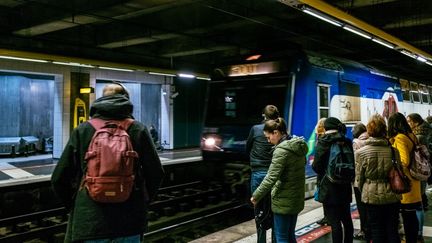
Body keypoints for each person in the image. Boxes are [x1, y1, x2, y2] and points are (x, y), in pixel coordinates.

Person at [51, 83, 164, 243]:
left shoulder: (83, 130)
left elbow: (58, 178)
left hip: (89, 221)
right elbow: (156, 173)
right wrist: (141, 200)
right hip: (129, 220)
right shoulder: (138, 129)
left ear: (101, 100)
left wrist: (76, 205)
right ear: (126, 100)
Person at [250, 118, 308, 243]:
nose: (268, 141)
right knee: (290, 235)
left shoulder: (281, 151)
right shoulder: (298, 145)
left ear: (276, 132)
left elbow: (271, 178)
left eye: (268, 137)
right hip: (296, 198)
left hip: (283, 200)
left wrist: (256, 196)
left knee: (281, 237)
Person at [355, 114, 401, 243]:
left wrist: (366, 191)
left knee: (376, 229)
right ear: (384, 130)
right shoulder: (393, 151)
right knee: (392, 229)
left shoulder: (361, 153)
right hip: (392, 195)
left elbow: (359, 179)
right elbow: (400, 172)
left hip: (372, 197)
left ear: (369, 131)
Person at [312, 117, 354, 243]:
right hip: (345, 186)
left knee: (335, 223)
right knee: (347, 220)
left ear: (326, 128)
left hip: (329, 187)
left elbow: (316, 166)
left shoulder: (323, 141)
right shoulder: (346, 141)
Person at [246, 105, 280, 243]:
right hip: (274, 173)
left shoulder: (255, 129)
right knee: (274, 209)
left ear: (263, 116)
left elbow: (247, 147)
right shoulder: (280, 131)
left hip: (258, 173)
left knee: (259, 209)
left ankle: (261, 240)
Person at [388, 112, 422, 243]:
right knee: (411, 215)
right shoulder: (411, 135)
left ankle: (410, 240)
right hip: (413, 181)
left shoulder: (400, 138)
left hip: (405, 183)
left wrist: (393, 165)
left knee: (408, 217)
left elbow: (404, 160)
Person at [406, 113, 432, 241]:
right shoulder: (425, 132)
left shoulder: (419, 136)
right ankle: (419, 232)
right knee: (419, 201)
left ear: (416, 122)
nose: (409, 124)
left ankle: (419, 232)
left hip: (418, 171)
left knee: (418, 203)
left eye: (410, 121)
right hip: (423, 171)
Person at [351, 122, 369, 241]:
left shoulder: (356, 143)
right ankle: (370, 229)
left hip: (359, 180)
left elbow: (355, 162)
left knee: (361, 207)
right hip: (370, 180)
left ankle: (364, 230)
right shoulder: (371, 139)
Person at [314, 118, 329, 226]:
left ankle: (327, 217)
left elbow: (318, 161)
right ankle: (328, 217)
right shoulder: (331, 138)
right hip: (329, 172)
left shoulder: (321, 140)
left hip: (323, 173)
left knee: (325, 196)